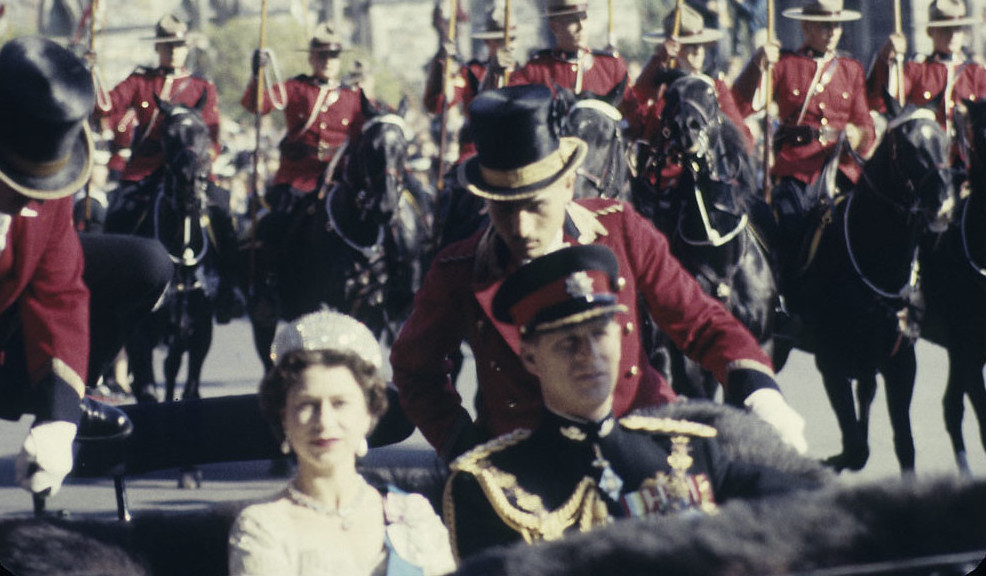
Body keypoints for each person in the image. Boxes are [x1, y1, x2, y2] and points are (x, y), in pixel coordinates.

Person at [390, 84, 807, 466]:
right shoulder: (457, 269)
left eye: (535, 205)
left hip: (642, 442)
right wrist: (463, 445)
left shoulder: (621, 228)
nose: (520, 227)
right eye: (503, 207)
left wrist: (761, 395)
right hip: (527, 466)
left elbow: (701, 321)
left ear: (568, 183)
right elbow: (414, 369)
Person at [444, 244, 819, 559]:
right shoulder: (488, 486)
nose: (589, 355)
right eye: (568, 342)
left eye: (599, 333)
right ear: (530, 359)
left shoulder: (691, 452)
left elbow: (818, 513)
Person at [0, 37, 170, 496]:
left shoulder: (46, 189)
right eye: (17, 184)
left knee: (147, 262)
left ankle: (71, 392)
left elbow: (58, 293)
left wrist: (59, 416)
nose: (34, 197)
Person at [228, 310, 456, 576]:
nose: (324, 421)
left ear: (368, 414)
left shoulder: (411, 515)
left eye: (340, 403)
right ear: (284, 418)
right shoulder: (263, 526)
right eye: (307, 405)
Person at [731, 0, 876, 288]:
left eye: (836, 25)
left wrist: (855, 136)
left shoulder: (851, 69)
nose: (833, 31)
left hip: (841, 169)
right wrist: (757, 65)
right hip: (796, 169)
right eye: (825, 25)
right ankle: (787, 294)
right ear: (805, 26)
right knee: (790, 225)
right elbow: (738, 106)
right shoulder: (783, 65)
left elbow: (866, 126)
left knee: (872, 222)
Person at [96, 13, 221, 230]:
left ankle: (231, 264)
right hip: (145, 171)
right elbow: (104, 107)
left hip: (190, 174)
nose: (173, 51)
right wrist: (89, 72)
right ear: (156, 48)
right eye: (167, 45)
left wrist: (200, 164)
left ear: (186, 48)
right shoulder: (140, 81)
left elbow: (212, 138)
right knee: (117, 218)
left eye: (178, 45)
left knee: (222, 213)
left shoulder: (202, 87)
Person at [866, 0, 985, 164]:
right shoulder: (917, 71)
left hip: (970, 162)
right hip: (929, 161)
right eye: (945, 29)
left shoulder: (977, 74)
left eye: (957, 29)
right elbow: (888, 100)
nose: (952, 35)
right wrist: (888, 58)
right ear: (931, 32)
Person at [629, 4, 754, 151]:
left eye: (700, 45)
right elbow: (636, 115)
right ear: (675, 50)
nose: (698, 52)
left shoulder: (716, 87)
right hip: (663, 170)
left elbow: (743, 139)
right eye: (690, 46)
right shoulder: (660, 86)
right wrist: (657, 60)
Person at [507, 0, 638, 114]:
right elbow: (506, 106)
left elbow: (635, 115)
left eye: (584, 17)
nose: (581, 27)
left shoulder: (611, 66)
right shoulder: (535, 70)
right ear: (554, 26)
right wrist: (495, 74)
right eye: (572, 20)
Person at [423, 5, 516, 162]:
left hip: (517, 148)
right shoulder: (470, 72)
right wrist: (443, 68)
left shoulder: (526, 72)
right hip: (477, 150)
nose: (507, 45)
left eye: (511, 39)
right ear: (488, 41)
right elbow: (440, 103)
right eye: (500, 40)